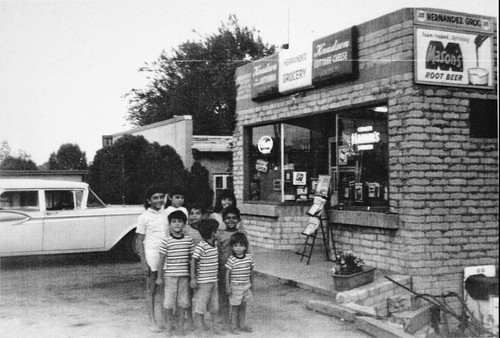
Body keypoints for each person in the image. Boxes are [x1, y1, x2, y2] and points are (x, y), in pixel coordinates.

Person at [135, 185, 168, 333]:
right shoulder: (144, 217)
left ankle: (164, 320)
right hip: (151, 256)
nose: (159, 200)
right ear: (149, 200)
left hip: (166, 256)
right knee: (151, 289)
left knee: (164, 289)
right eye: (155, 197)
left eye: (161, 197)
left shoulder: (166, 214)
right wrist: (143, 262)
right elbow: (139, 241)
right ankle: (152, 321)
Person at [156, 210, 194, 336]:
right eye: (174, 221)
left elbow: (192, 260)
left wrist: (193, 276)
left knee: (182, 302)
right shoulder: (166, 241)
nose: (177, 224)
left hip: (184, 277)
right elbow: (161, 260)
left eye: (180, 221)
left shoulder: (189, 240)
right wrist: (159, 277)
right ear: (169, 224)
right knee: (169, 303)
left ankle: (181, 327)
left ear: (184, 224)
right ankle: (168, 327)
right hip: (170, 277)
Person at [190, 219, 222, 335]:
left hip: (213, 281)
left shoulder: (215, 245)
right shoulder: (201, 246)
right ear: (213, 233)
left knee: (214, 306)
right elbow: (193, 260)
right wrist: (193, 278)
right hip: (203, 283)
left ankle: (215, 327)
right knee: (200, 306)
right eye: (218, 231)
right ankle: (199, 329)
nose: (219, 233)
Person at [217, 206, 245, 328]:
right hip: (224, 269)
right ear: (223, 220)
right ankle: (224, 319)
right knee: (224, 294)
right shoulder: (220, 234)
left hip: (239, 270)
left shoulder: (242, 234)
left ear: (238, 220)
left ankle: (238, 321)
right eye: (228, 218)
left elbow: (247, 251)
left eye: (234, 218)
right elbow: (217, 251)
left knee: (239, 295)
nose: (231, 220)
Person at [225, 232, 255, 334]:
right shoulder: (232, 259)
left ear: (246, 247)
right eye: (235, 245)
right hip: (235, 286)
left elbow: (251, 271)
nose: (238, 248)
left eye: (241, 245)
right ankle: (233, 326)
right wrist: (228, 287)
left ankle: (242, 324)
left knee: (244, 306)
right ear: (232, 247)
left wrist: (252, 283)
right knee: (234, 306)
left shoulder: (248, 258)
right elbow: (227, 273)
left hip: (246, 286)